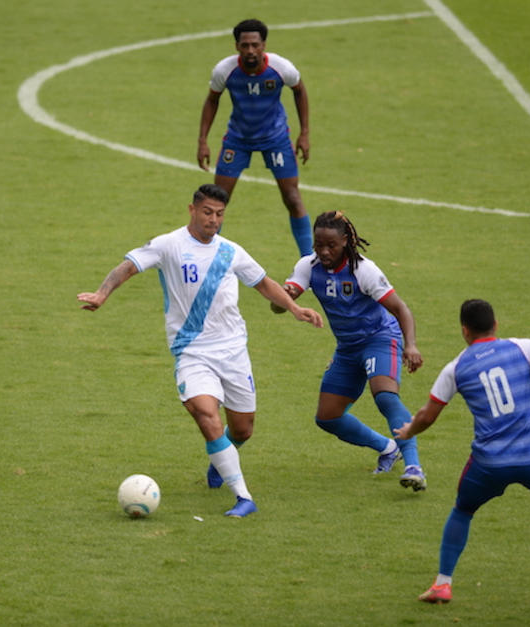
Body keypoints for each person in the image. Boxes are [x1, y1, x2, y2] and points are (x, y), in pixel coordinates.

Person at [77, 184, 323, 518]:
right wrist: (102, 293)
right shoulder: (169, 245)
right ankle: (243, 497)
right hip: (192, 351)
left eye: (219, 214)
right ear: (192, 210)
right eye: (207, 212)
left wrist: (294, 309)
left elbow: (263, 283)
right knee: (206, 415)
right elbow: (128, 266)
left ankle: (220, 460)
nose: (213, 220)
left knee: (243, 429)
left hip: (233, 350)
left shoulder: (230, 251)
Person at [394, 299, 530, 603]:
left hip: (488, 465)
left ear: (465, 330)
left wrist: (409, 431)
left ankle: (443, 584)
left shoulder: (455, 368)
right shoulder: (524, 347)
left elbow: (427, 416)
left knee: (463, 510)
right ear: (496, 325)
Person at [273, 211, 426, 490]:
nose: (324, 251)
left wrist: (411, 345)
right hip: (347, 348)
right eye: (319, 244)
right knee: (327, 417)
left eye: (331, 245)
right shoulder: (308, 266)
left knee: (385, 397)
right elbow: (278, 306)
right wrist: (285, 297)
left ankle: (413, 465)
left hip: (380, 338)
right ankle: (388, 448)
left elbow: (400, 308)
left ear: (345, 241)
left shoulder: (363, 270)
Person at [197, 18, 312, 257]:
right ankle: (206, 257)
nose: (250, 50)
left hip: (275, 138)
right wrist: (203, 141)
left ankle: (309, 261)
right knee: (217, 201)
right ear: (237, 46)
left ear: (263, 46)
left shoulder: (282, 68)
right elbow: (212, 100)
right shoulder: (224, 70)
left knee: (292, 198)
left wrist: (304, 133)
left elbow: (299, 91)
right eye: (245, 45)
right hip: (238, 139)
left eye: (255, 45)